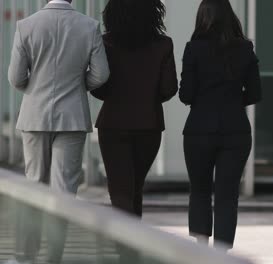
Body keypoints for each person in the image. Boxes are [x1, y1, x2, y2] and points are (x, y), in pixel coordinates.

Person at [7, 0, 110, 263]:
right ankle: (53, 257)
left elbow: (16, 78)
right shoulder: (89, 26)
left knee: (33, 186)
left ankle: (26, 255)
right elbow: (101, 74)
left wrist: (36, 89)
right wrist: (77, 88)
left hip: (34, 116)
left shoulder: (26, 26)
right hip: (72, 117)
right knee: (64, 192)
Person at [179, 0, 262, 251]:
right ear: (230, 17)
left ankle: (201, 248)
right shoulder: (245, 49)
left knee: (200, 190)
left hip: (199, 130)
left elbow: (185, 95)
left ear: (202, 18)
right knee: (228, 196)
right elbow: (256, 93)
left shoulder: (193, 49)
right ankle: (222, 253)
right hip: (236, 130)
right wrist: (235, 101)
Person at [91, 0, 177, 218]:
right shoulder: (164, 44)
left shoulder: (105, 43)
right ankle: (131, 247)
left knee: (120, 191)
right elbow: (169, 88)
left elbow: (97, 87)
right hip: (149, 124)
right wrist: (146, 97)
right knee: (135, 188)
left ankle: (126, 249)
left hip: (112, 124)